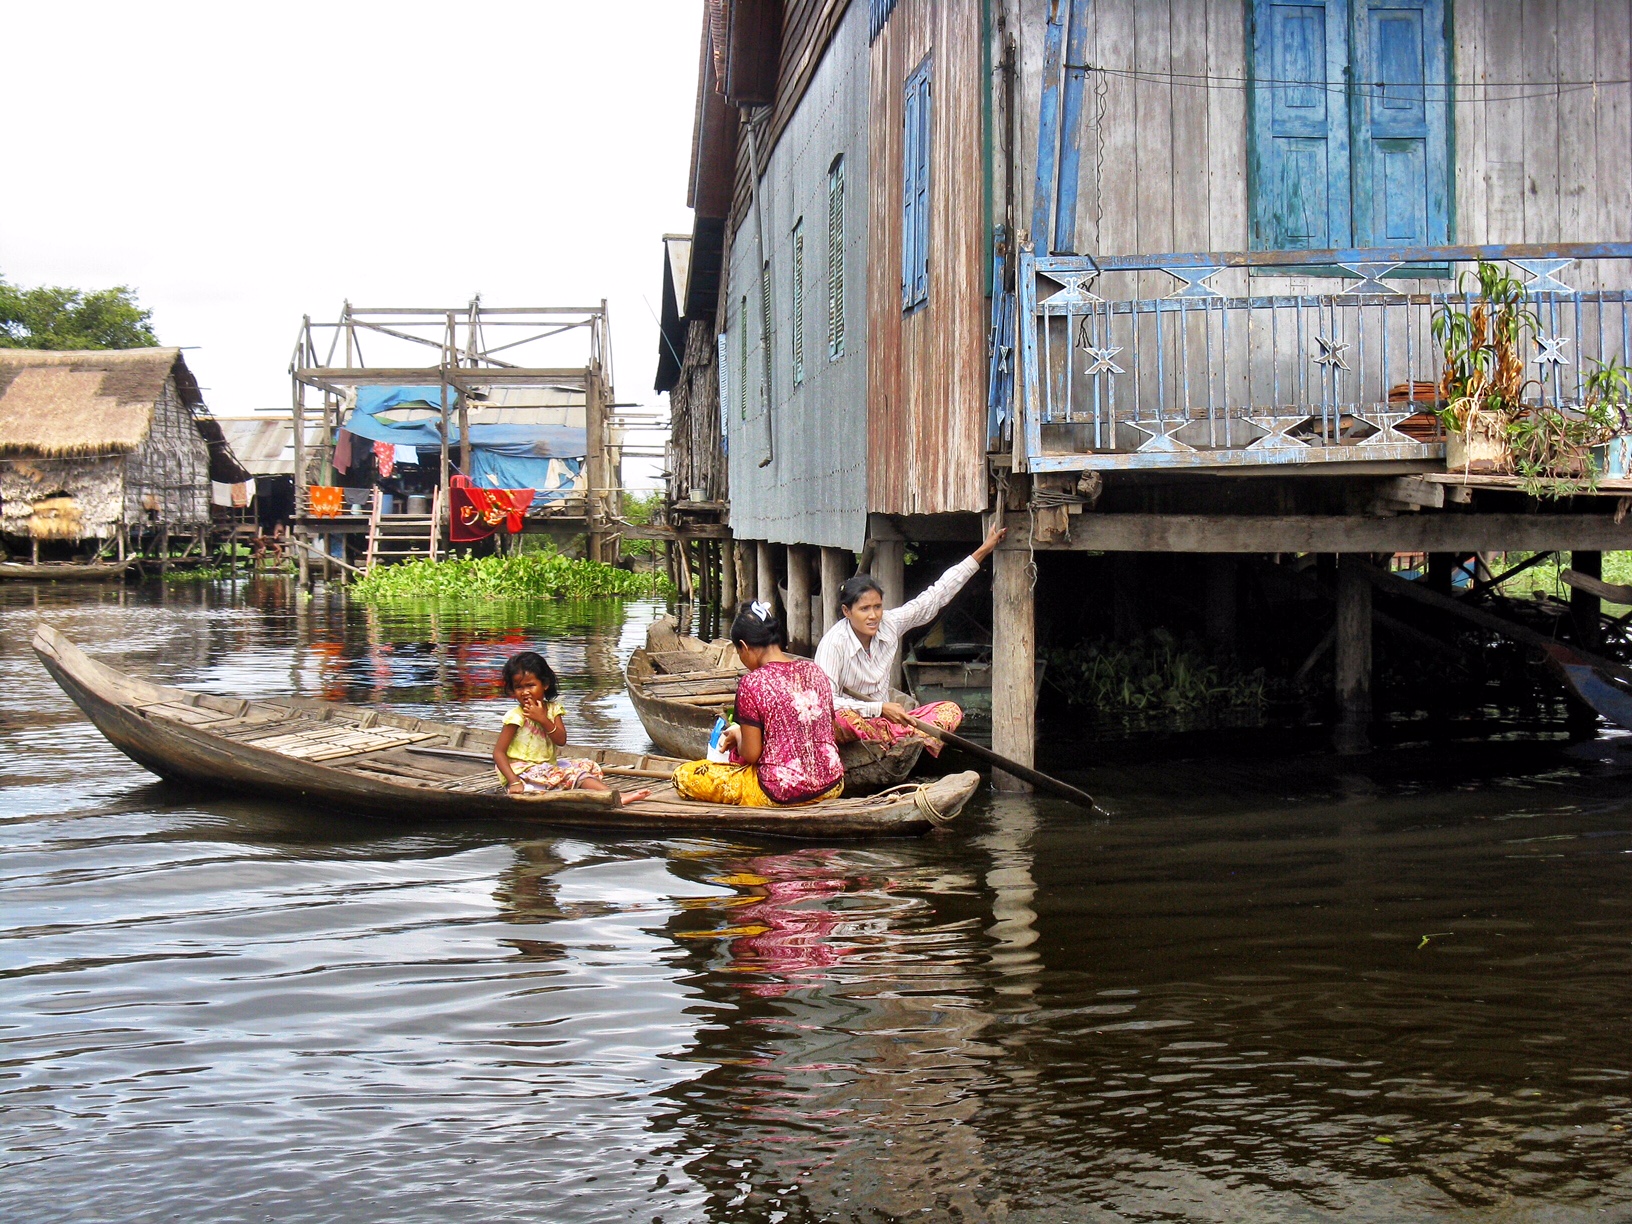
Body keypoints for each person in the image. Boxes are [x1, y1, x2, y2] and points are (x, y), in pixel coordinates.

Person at [814, 522, 1008, 754]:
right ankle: (901, 738)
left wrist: (984, 550)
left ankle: (897, 738)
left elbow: (935, 596)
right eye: (864, 609)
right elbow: (824, 701)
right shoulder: (834, 643)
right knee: (839, 720)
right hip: (858, 720)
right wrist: (879, 708)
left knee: (950, 710)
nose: (873, 615)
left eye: (877, 607)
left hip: (886, 723)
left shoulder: (889, 622)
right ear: (847, 612)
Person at [673, 601, 845, 807]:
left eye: (739, 653)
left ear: (744, 647)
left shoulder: (752, 683)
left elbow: (752, 754)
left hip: (780, 791)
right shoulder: (815, 671)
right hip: (832, 784)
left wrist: (739, 736)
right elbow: (826, 728)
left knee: (683, 775)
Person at [493, 651, 649, 803]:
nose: (525, 692)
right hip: (522, 773)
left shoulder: (553, 710)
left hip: (546, 767)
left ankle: (614, 795)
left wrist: (542, 719)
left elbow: (560, 740)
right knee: (569, 775)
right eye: (519, 687)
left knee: (582, 767)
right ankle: (615, 797)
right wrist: (514, 781)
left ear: (545, 684)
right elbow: (499, 753)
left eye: (530, 685)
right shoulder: (516, 717)